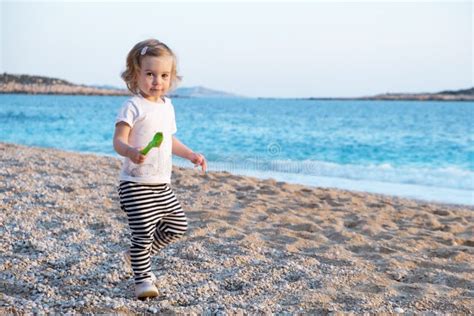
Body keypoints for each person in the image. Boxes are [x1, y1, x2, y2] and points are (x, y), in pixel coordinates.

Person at [113, 38, 207, 299]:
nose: (158, 81)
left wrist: (190, 154)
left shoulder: (167, 106)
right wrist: (130, 150)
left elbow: (167, 139)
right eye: (150, 74)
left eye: (164, 75)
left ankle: (136, 257)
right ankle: (143, 280)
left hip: (161, 183)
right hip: (135, 183)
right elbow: (118, 140)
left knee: (178, 225)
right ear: (135, 74)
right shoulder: (132, 106)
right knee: (143, 233)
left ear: (172, 77)